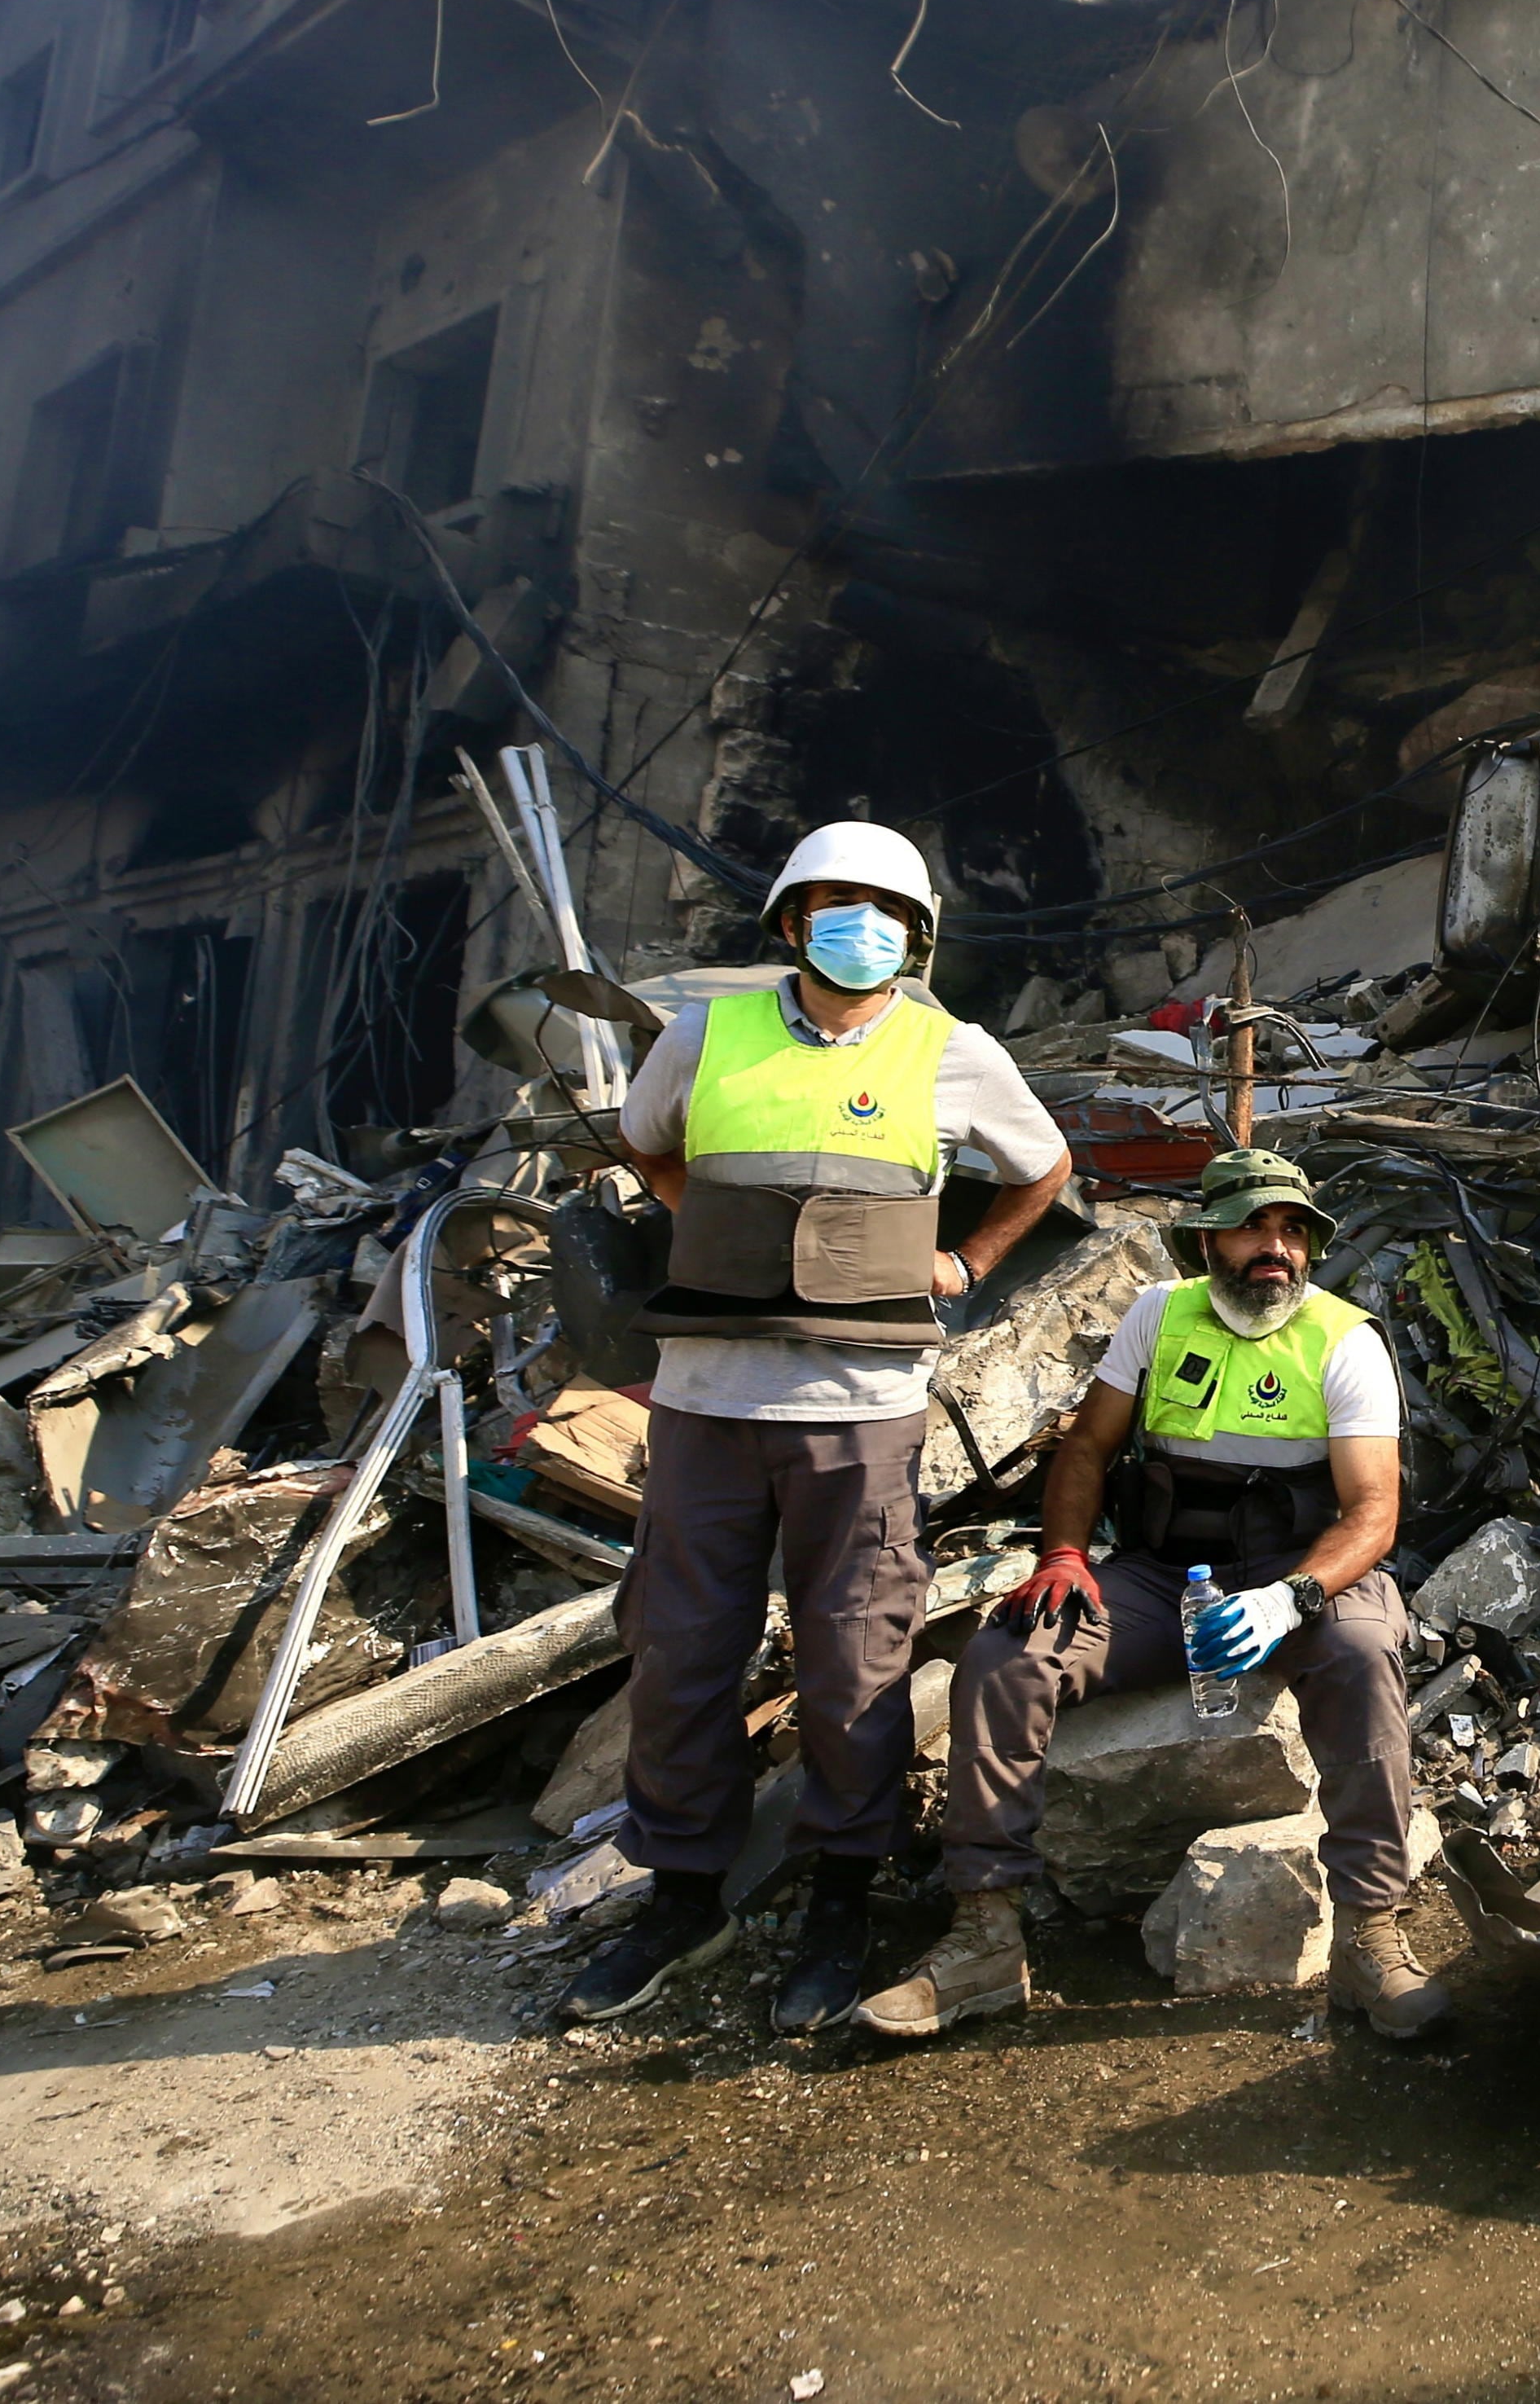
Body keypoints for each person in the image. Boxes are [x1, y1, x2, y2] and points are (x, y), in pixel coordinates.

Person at [559, 820, 1073, 2032]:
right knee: (683, 1652)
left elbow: (1042, 1166)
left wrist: (967, 1259)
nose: (861, 923)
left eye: (885, 907)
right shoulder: (707, 1032)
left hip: (862, 1412)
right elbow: (645, 1144)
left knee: (857, 1661)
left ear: (918, 935)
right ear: (790, 921)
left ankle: (842, 1899)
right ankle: (684, 1897)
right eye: (836, 901)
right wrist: (728, 1242)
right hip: (705, 1402)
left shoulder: (954, 1051)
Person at [858, 1145, 1446, 2041]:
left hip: (1302, 1572)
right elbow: (1086, 1450)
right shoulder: (1157, 1317)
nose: (1274, 1248)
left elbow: (1372, 1514)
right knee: (1007, 1657)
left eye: (1291, 1230)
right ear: (1205, 1238)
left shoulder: (1343, 1338)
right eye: (1252, 1225)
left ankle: (1369, 1935)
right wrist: (1061, 1557)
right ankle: (983, 1936)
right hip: (1163, 1574)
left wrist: (1292, 1597)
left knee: (1364, 1654)